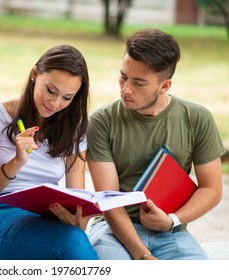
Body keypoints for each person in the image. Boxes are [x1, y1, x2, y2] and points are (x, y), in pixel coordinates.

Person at [85, 28, 226, 260]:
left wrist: (173, 220)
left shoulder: (198, 118)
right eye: (123, 76)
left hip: (171, 231)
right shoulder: (102, 121)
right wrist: (143, 257)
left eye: (139, 83)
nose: (125, 89)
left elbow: (211, 189)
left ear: (164, 86)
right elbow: (109, 200)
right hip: (114, 230)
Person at [0, 44, 98, 260]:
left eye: (67, 98)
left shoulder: (74, 127)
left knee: (74, 238)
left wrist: (78, 220)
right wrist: (17, 161)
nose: (55, 103)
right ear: (35, 74)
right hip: (2, 218)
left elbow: (78, 196)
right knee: (72, 243)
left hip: (51, 219)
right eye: (51, 90)